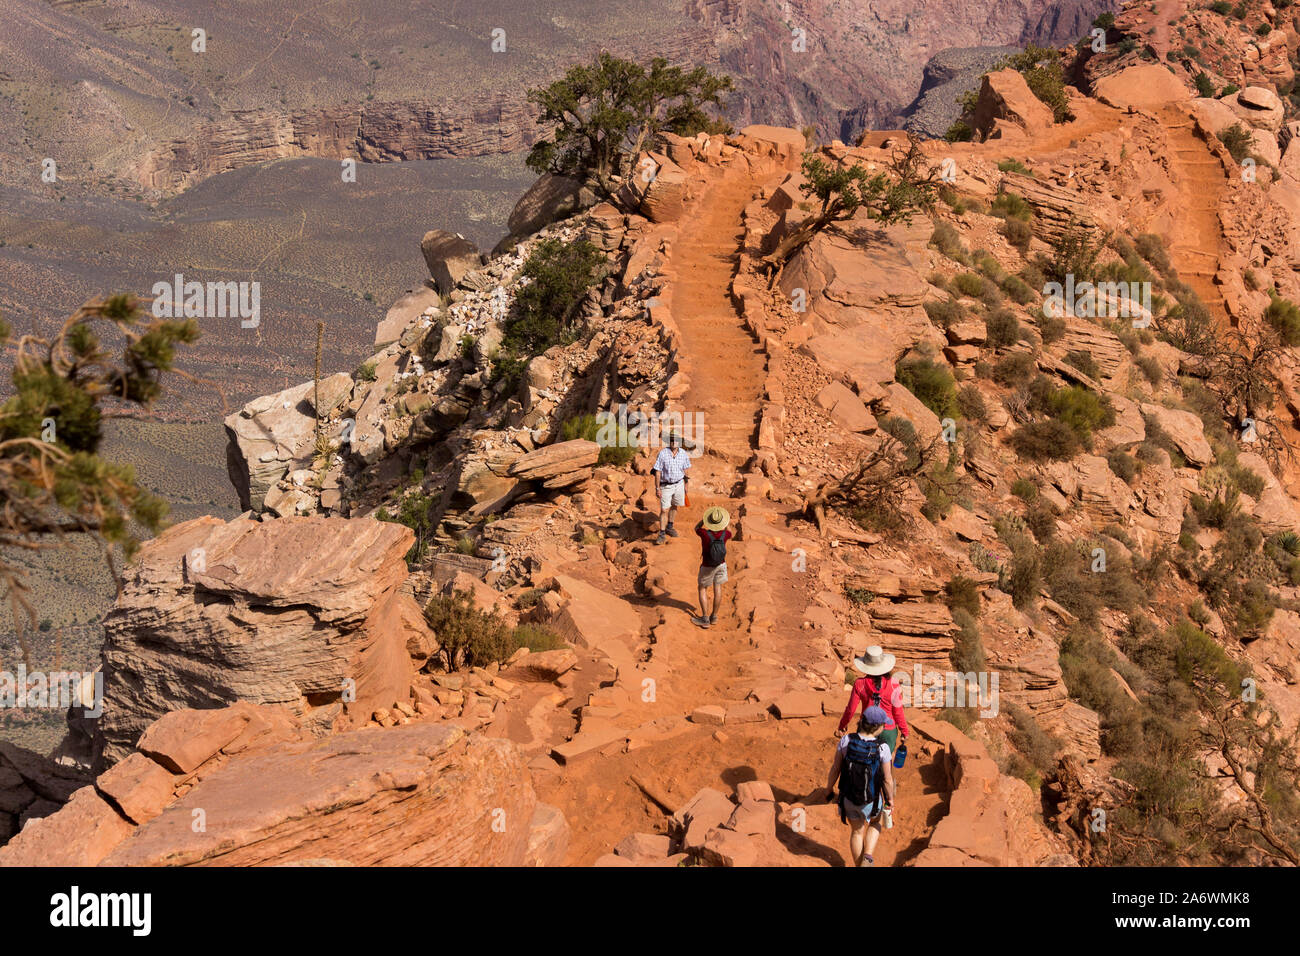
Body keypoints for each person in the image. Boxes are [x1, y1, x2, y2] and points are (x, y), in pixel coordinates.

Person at [826, 705, 896, 867]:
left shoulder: (846, 740)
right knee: (875, 822)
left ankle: (860, 865)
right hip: (871, 800)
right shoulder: (882, 748)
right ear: (876, 727)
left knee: (856, 832)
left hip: (848, 798)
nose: (885, 727)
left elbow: (835, 769)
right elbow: (887, 779)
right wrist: (890, 799)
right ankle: (868, 856)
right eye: (883, 725)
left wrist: (828, 789)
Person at [836, 645, 909, 765]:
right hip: (887, 730)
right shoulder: (894, 684)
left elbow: (851, 709)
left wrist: (842, 725)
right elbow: (898, 712)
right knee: (887, 760)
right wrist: (904, 731)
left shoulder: (860, 684)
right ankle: (886, 781)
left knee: (862, 759)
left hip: (866, 727)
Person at [692, 506, 731, 628]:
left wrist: (704, 519)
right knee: (717, 587)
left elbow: (696, 528)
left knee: (702, 588)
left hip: (707, 566)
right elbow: (730, 531)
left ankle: (705, 619)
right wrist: (726, 521)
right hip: (721, 564)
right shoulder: (725, 534)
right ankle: (714, 616)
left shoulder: (704, 534)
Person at [651, 433, 690, 545]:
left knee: (675, 505)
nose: (674, 443)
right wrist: (657, 488)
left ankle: (670, 526)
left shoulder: (683, 454)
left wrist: (686, 485)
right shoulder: (663, 454)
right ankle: (662, 534)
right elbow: (657, 472)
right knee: (664, 510)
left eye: (676, 441)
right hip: (665, 485)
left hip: (679, 484)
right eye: (672, 441)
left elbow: (686, 470)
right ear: (669, 442)